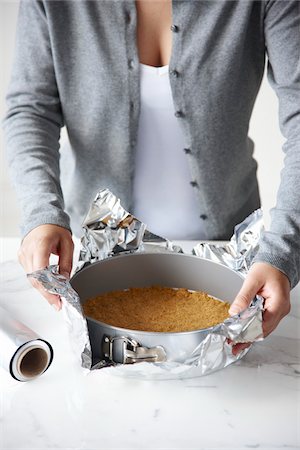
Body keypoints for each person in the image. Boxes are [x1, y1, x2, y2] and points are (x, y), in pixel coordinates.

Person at [3, 1, 299, 355]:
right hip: (95, 259)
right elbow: (30, 110)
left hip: (232, 262)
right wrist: (41, 212)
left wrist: (282, 251)